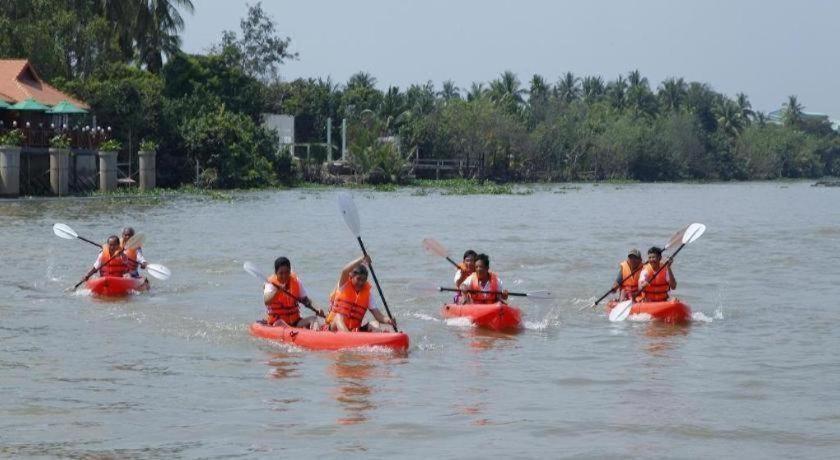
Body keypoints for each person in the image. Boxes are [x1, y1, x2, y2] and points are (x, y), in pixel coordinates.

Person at [326, 255, 395, 332]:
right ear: (351, 276)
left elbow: (377, 315)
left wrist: (388, 320)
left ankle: (382, 338)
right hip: (334, 327)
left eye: (363, 280)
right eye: (358, 279)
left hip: (354, 329)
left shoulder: (368, 294)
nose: (361, 282)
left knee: (375, 323)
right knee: (338, 316)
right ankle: (348, 337)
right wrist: (362, 259)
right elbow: (345, 271)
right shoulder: (343, 285)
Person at [263, 257, 323, 329]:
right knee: (280, 323)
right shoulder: (270, 284)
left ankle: (315, 336)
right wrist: (277, 292)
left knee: (314, 319)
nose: (284, 276)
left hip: (295, 322)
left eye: (287, 272)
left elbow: (305, 299)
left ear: (290, 271)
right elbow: (266, 301)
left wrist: (317, 308)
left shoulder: (295, 281)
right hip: (277, 322)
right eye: (281, 273)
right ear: (276, 273)